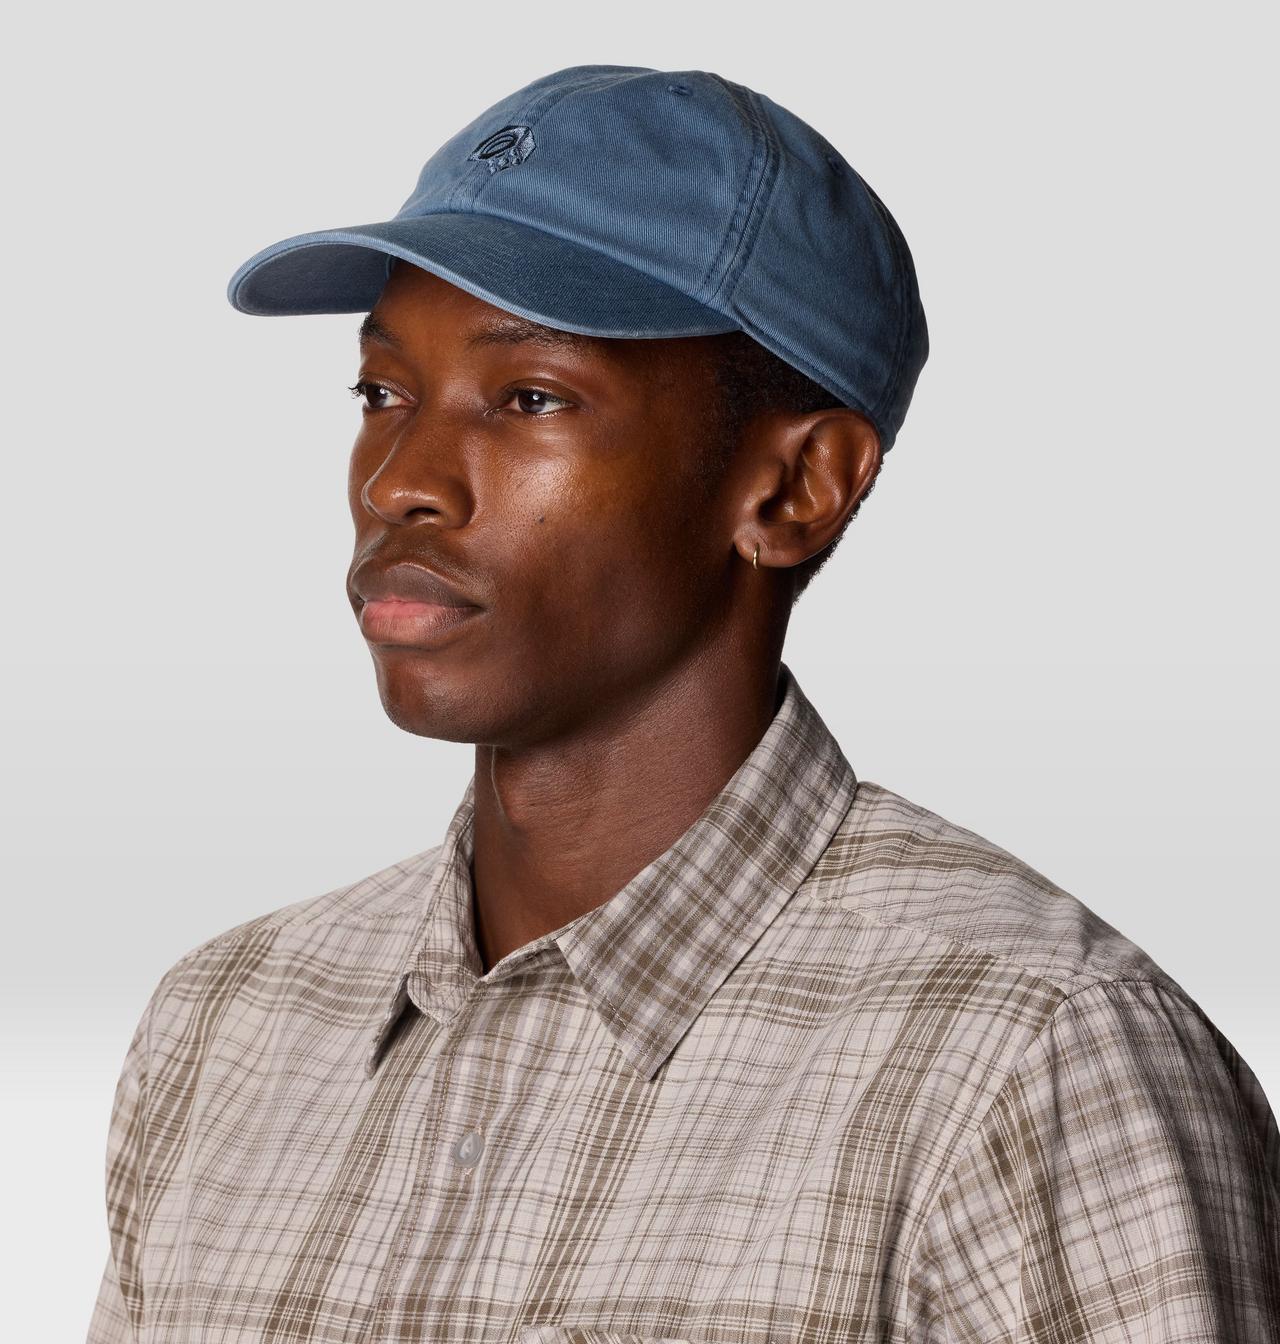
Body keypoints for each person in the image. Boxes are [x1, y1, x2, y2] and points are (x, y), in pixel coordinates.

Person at [88, 64, 1278, 1344]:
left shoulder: (1034, 1060)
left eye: (530, 398)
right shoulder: (226, 1025)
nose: (399, 483)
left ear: (796, 489)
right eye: (382, 394)